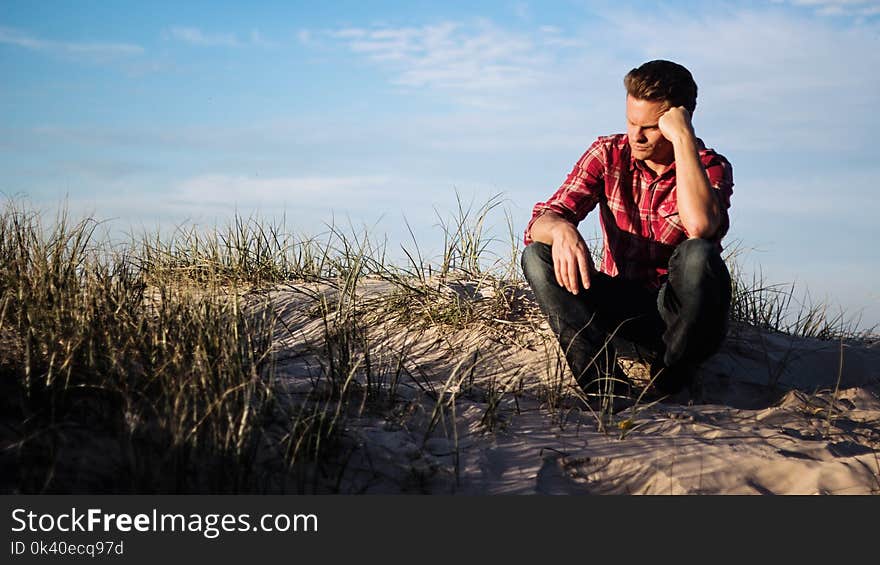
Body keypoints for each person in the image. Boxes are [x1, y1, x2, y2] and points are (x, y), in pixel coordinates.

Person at [521, 60, 733, 406]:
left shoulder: (710, 165)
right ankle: (606, 389)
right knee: (536, 255)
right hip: (624, 308)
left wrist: (683, 140)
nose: (636, 135)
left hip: (685, 319)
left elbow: (700, 227)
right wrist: (560, 229)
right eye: (631, 122)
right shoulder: (608, 153)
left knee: (699, 255)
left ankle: (671, 378)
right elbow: (541, 220)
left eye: (650, 127)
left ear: (679, 120)